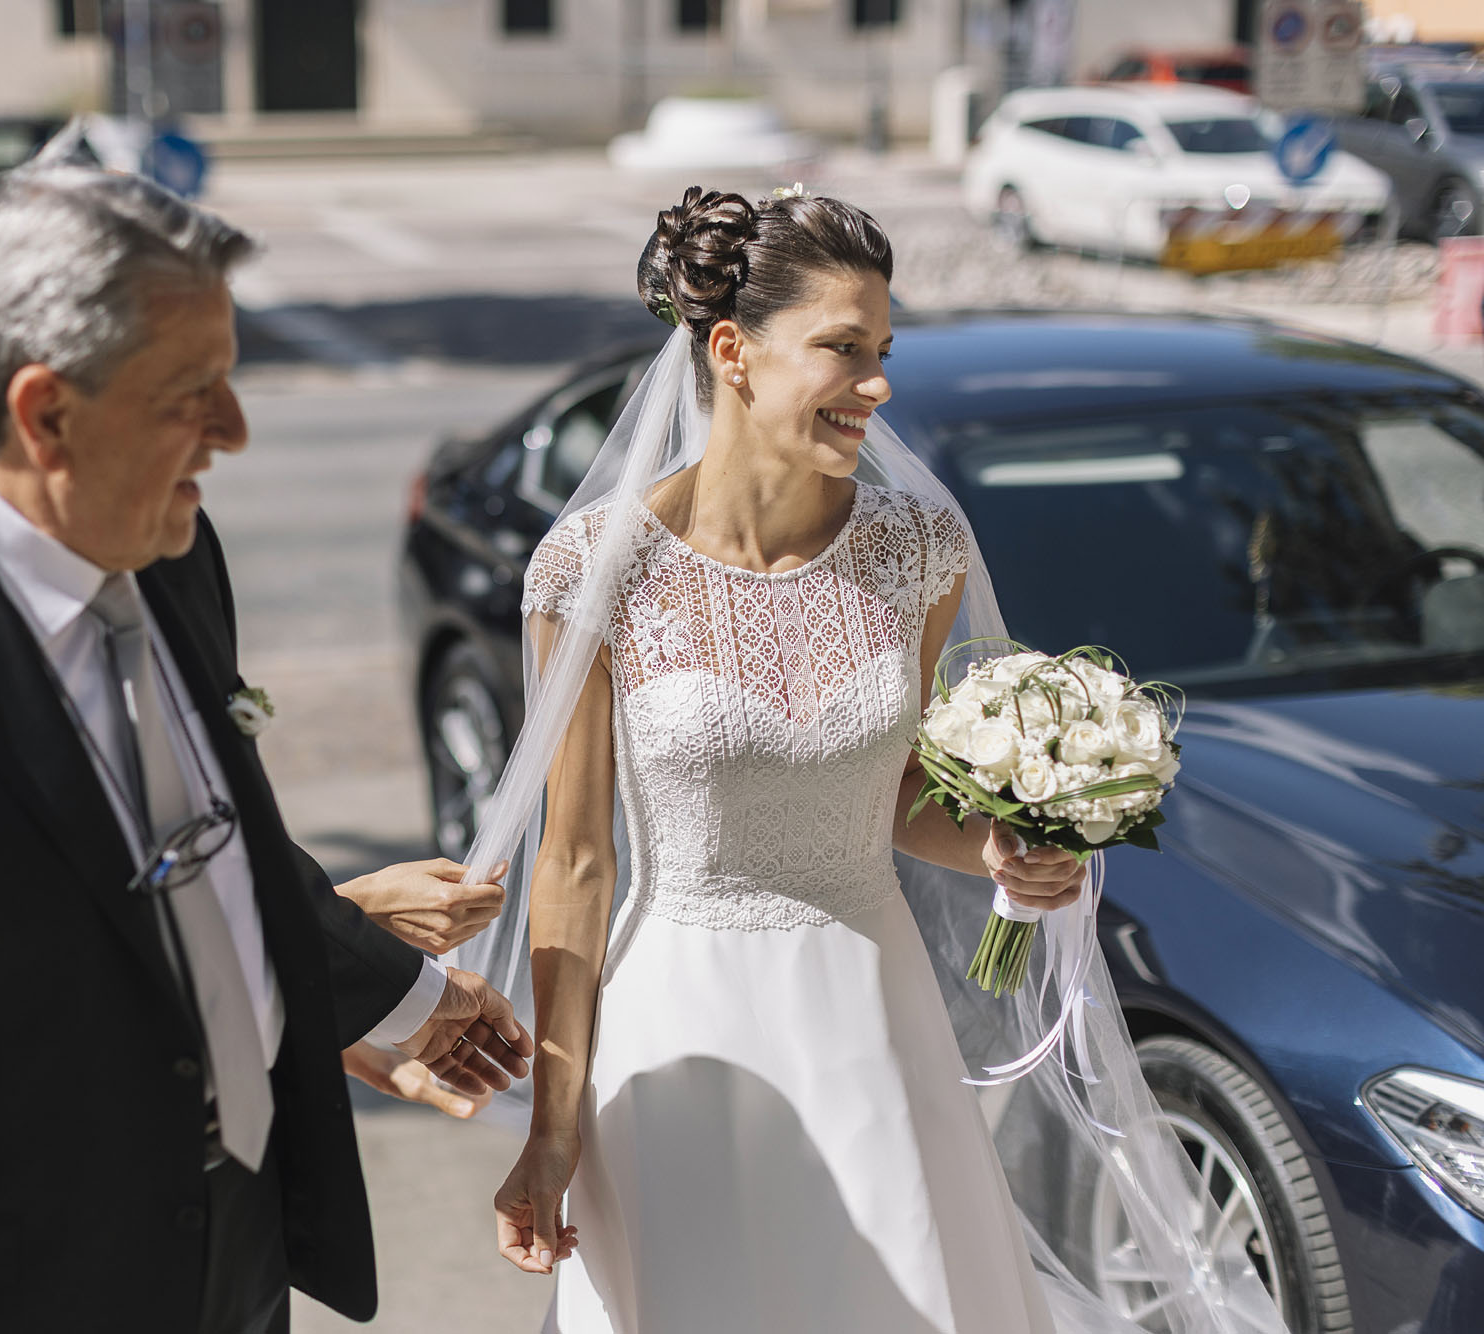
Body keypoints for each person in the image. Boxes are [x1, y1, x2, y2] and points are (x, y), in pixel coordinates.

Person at [0, 159, 532, 1333]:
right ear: (44, 412)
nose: (230, 433)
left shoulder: (167, 556)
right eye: (192, 394)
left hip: (226, 1273)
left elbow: (194, 870)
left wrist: (355, 1015)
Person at [480, 188, 1284, 1332]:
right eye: (842, 349)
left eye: (883, 350)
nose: (877, 384)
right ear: (732, 353)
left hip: (871, 1006)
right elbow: (570, 864)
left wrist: (1007, 844)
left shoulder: (916, 547)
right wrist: (551, 1125)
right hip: (683, 1027)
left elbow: (901, 797)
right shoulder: (593, 571)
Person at [0, 371, 499, 1122]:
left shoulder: (168, 560)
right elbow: (63, 954)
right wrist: (362, 937)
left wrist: (321, 1007)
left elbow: (181, 862)